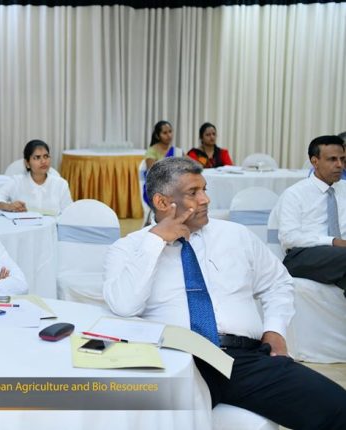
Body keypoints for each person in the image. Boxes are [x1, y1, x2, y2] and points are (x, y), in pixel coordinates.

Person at [103, 157, 346, 429]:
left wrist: (275, 330)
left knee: (338, 408)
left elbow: (277, 283)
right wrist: (155, 241)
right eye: (193, 192)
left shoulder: (236, 235)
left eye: (205, 189)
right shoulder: (129, 248)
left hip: (242, 360)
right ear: (161, 202)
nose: (205, 199)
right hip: (176, 361)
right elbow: (124, 305)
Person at [278, 135, 346, 296]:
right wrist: (333, 241)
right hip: (302, 255)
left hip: (339, 256)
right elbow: (288, 238)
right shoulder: (295, 194)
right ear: (315, 161)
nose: (340, 165)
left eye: (342, 159)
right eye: (332, 159)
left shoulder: (344, 189)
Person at [0, 139, 73, 215]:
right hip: (22, 227)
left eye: (46, 156)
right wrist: (8, 206)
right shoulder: (17, 181)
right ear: (27, 163)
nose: (43, 161)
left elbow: (69, 213)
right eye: (37, 157)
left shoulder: (61, 184)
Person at [142, 121, 182, 206]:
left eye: (170, 131)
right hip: (156, 187)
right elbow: (152, 172)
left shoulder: (176, 151)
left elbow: (192, 164)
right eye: (165, 133)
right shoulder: (152, 151)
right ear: (157, 135)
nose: (169, 135)